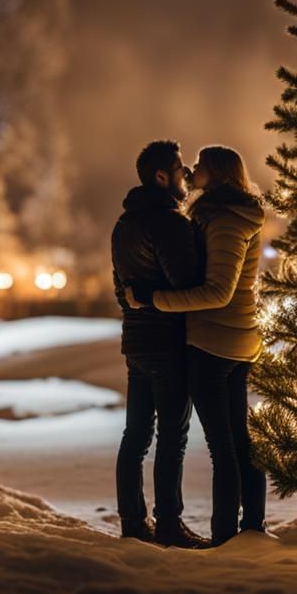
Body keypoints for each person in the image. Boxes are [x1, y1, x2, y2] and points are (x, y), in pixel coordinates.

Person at [127, 145, 267, 546]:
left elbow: (218, 292)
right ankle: (252, 527)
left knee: (224, 448)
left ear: (218, 174)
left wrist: (154, 299)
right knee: (237, 442)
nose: (192, 169)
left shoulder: (224, 221)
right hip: (234, 340)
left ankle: (227, 537)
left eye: (201, 165)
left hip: (214, 343)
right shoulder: (228, 214)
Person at [111, 139, 210, 549]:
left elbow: (121, 290)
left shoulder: (123, 225)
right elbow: (184, 283)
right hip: (168, 341)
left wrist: (138, 302)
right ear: (161, 176)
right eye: (181, 168)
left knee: (136, 435)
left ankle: (133, 522)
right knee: (172, 434)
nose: (187, 175)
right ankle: (169, 524)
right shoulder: (169, 222)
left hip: (136, 341)